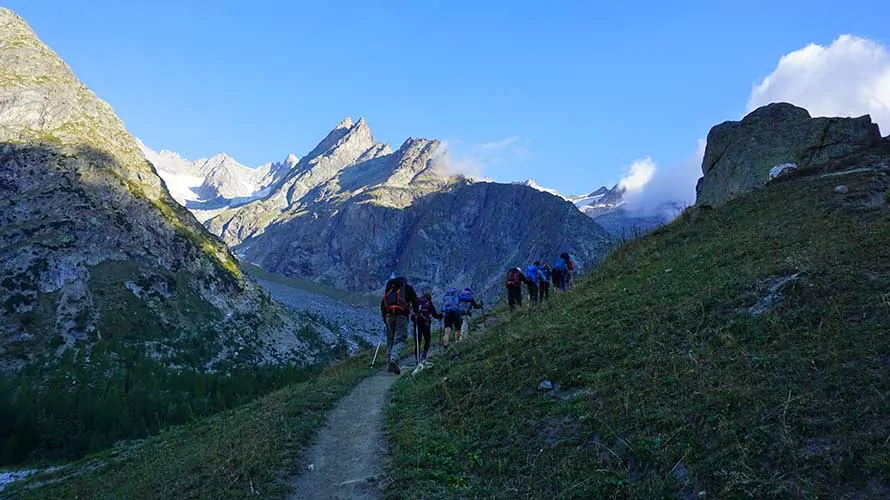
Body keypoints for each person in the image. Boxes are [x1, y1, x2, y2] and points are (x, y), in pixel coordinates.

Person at [380, 275, 420, 374]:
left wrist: (385, 318)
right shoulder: (407, 288)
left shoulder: (390, 289)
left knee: (390, 339)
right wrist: (416, 312)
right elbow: (415, 301)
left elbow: (383, 305)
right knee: (400, 339)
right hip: (401, 316)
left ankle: (389, 364)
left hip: (389, 316)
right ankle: (394, 358)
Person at [416, 291, 443, 361]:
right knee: (427, 339)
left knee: (417, 340)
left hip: (417, 323)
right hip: (426, 323)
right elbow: (434, 314)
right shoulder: (429, 303)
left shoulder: (417, 301)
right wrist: (440, 316)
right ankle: (424, 355)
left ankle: (417, 358)